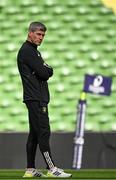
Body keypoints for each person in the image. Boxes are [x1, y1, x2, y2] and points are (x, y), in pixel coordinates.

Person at [17, 21, 72, 178]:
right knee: (43, 132)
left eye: (43, 35)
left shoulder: (33, 51)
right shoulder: (28, 51)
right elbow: (44, 72)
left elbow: (45, 70)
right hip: (36, 98)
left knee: (34, 134)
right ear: (30, 33)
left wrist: (45, 69)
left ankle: (30, 169)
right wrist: (45, 69)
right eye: (38, 34)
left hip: (33, 97)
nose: (41, 38)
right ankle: (51, 168)